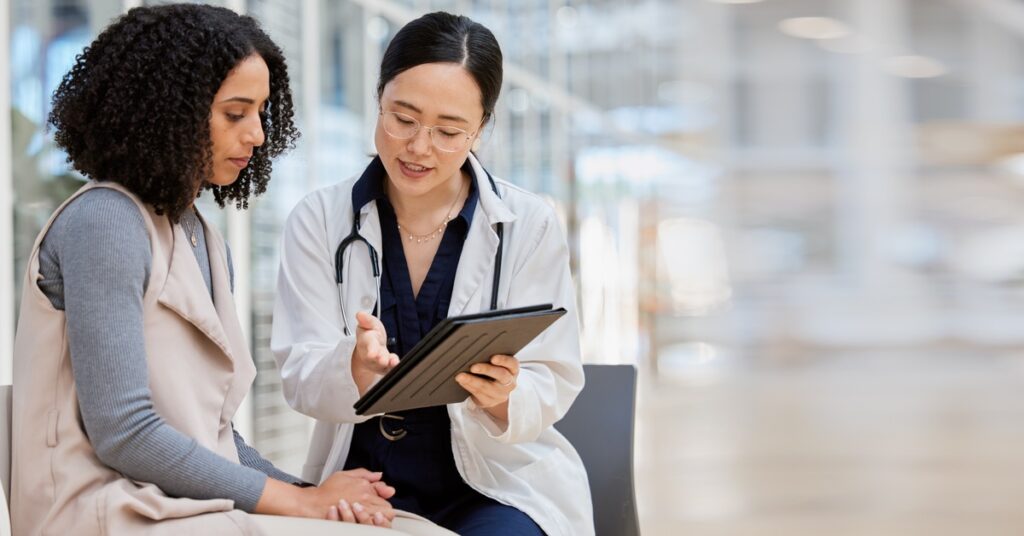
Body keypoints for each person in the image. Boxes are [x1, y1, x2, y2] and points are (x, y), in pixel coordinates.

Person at [10, 5, 453, 535]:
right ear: (168, 112)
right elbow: (125, 433)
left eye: (261, 112)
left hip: (176, 506)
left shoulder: (201, 237)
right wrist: (300, 502)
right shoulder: (105, 221)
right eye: (236, 114)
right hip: (101, 511)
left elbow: (217, 439)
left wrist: (313, 496)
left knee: (411, 529)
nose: (258, 135)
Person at [272, 11, 594, 536]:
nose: (419, 147)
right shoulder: (318, 220)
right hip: (362, 479)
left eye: (448, 131)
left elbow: (554, 374)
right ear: (379, 98)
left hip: (495, 485)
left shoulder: (527, 224)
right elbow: (298, 372)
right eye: (403, 119)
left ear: (480, 129)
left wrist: (504, 396)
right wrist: (353, 369)